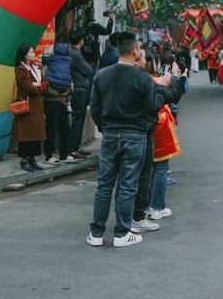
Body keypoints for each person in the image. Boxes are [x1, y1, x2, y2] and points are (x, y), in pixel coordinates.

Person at [87, 32, 179, 248]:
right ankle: (121, 232)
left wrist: (105, 127)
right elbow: (152, 106)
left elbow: (96, 109)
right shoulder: (142, 78)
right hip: (135, 136)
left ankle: (96, 232)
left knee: (104, 185)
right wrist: (163, 87)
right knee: (128, 184)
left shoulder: (102, 75)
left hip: (110, 135)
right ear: (135, 51)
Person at [130, 49, 185, 234]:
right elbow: (173, 95)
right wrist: (177, 78)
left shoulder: (137, 80)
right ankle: (156, 206)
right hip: (157, 124)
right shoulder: (155, 81)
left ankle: (142, 208)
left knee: (145, 171)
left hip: (140, 126)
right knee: (160, 167)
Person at [13, 44, 47, 172]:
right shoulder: (21, 69)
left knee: (35, 133)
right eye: (31, 52)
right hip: (26, 106)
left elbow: (45, 83)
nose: (34, 54)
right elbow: (29, 88)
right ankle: (24, 159)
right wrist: (39, 87)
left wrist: (39, 85)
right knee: (26, 134)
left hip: (36, 105)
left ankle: (32, 158)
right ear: (24, 55)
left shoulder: (35, 68)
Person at [41, 42, 74, 164]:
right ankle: (48, 155)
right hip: (51, 101)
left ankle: (63, 154)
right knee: (51, 128)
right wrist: (59, 93)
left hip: (61, 102)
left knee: (64, 128)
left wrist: (68, 91)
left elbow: (70, 82)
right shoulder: (66, 63)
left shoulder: (49, 63)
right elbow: (43, 84)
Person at [67, 31, 93, 158]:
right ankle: (72, 148)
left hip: (79, 87)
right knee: (78, 119)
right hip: (79, 88)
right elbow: (88, 69)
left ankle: (76, 146)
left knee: (79, 119)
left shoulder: (72, 52)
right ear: (81, 41)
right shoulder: (75, 54)